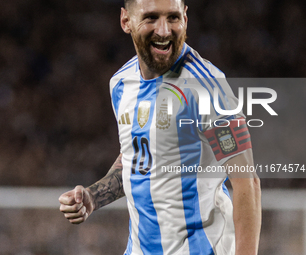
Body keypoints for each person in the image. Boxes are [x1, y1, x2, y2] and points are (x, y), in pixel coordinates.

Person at [59, 0, 261, 254]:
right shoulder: (121, 84)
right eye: (151, 17)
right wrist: (92, 197)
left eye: (173, 18)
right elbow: (136, 160)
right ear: (126, 21)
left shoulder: (207, 88)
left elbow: (247, 182)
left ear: (185, 18)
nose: (164, 30)